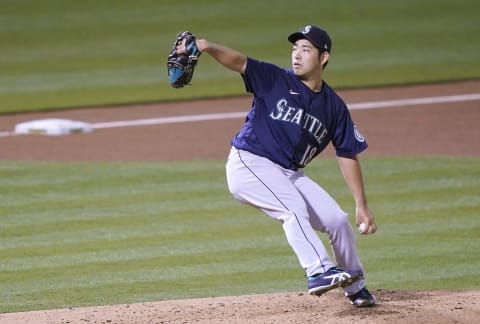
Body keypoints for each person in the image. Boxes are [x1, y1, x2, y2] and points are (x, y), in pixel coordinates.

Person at [177, 25, 377, 307]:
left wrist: (361, 204)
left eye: (305, 50)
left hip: (288, 173)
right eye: (295, 49)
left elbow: (347, 153)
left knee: (337, 221)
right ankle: (318, 271)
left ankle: (356, 289)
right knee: (292, 208)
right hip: (249, 162)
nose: (296, 55)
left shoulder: (334, 106)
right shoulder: (274, 78)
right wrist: (207, 45)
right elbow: (240, 62)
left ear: (324, 58)